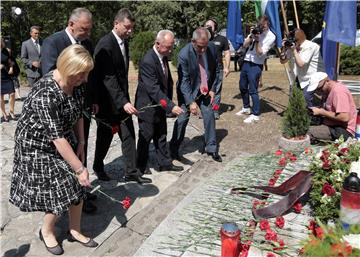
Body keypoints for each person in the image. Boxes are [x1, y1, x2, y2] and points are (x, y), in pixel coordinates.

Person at [9, 45, 98, 256]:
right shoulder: (45, 91)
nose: (85, 79)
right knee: (61, 189)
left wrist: (81, 144)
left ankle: (74, 229)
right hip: (36, 146)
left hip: (62, 138)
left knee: (77, 187)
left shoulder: (76, 84)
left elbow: (78, 114)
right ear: (68, 67)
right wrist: (78, 168)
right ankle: (47, 231)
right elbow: (56, 137)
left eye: (87, 74)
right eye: (82, 74)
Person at [41, 7, 97, 214]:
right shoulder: (53, 42)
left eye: (89, 30)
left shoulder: (87, 44)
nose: (87, 34)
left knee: (81, 147)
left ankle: (82, 193)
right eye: (84, 29)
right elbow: (48, 74)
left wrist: (92, 99)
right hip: (61, 110)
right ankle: (66, 194)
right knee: (65, 151)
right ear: (71, 24)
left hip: (81, 107)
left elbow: (89, 75)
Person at [91, 8, 151, 184]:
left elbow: (121, 75)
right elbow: (108, 78)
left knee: (129, 135)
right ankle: (98, 166)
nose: (130, 31)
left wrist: (125, 100)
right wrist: (123, 101)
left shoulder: (124, 42)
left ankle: (131, 172)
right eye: (127, 27)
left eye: (132, 28)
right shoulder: (105, 44)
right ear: (116, 24)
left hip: (121, 100)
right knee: (105, 137)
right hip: (106, 103)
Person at [169, 27, 222, 163]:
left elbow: (216, 70)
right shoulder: (184, 54)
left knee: (209, 114)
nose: (203, 50)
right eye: (200, 47)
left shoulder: (211, 48)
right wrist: (190, 102)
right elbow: (184, 81)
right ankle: (173, 149)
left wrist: (213, 89)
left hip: (205, 89)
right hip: (188, 90)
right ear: (193, 42)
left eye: (205, 46)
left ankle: (211, 148)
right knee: (182, 118)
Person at [135, 30, 184, 174]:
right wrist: (170, 106)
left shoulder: (162, 57)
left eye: (171, 47)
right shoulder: (148, 61)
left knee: (161, 134)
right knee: (146, 136)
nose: (170, 50)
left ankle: (165, 163)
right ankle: (140, 167)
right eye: (168, 47)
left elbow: (166, 81)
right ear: (157, 44)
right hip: (148, 105)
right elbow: (153, 89)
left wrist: (168, 103)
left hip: (160, 104)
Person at [235, 15, 275, 123]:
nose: (262, 27)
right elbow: (244, 45)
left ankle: (255, 114)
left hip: (256, 64)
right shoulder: (256, 31)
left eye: (263, 25)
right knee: (242, 86)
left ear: (268, 24)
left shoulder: (271, 36)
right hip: (246, 61)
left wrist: (257, 40)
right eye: (260, 24)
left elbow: (260, 53)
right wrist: (252, 36)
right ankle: (246, 107)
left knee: (253, 89)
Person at [280, 29, 325, 107]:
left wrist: (294, 50)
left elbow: (301, 64)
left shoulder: (311, 46)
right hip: (298, 78)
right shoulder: (293, 46)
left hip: (311, 78)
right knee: (293, 101)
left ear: (299, 39)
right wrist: (284, 48)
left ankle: (313, 116)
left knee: (306, 99)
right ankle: (296, 116)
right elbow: (283, 61)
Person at [307, 72, 357, 141]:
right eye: (315, 90)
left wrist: (322, 112)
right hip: (332, 125)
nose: (318, 92)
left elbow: (344, 117)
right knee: (303, 125)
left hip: (343, 130)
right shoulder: (327, 91)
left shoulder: (338, 91)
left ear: (327, 81)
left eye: (319, 88)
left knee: (306, 132)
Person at [204, 18, 230, 120]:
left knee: (217, 89)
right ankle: (205, 110)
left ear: (215, 28)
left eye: (210, 26)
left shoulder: (222, 39)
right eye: (206, 26)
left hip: (218, 67)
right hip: (205, 67)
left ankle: (215, 110)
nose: (208, 28)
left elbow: (227, 53)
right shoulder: (203, 38)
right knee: (205, 89)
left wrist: (227, 67)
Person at [1, 38, 18, 122]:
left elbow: (10, 61)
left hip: (7, 76)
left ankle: (11, 111)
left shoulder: (5, 51)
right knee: (1, 97)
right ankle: (4, 113)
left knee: (12, 94)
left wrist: (11, 68)